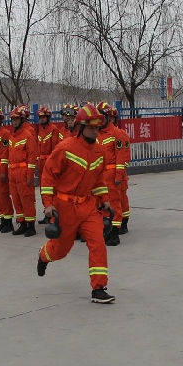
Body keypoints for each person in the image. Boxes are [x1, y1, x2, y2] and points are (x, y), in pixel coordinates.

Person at [36, 102, 116, 304]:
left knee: (98, 243)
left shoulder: (99, 151)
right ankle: (44, 256)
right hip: (65, 207)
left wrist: (105, 200)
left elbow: (99, 180)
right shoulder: (65, 148)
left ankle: (99, 288)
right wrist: (48, 204)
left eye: (98, 127)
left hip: (88, 206)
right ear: (81, 127)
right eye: (91, 127)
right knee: (61, 250)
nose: (95, 131)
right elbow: (48, 176)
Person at [7, 104, 39, 236]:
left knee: (26, 198)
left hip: (23, 171)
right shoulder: (12, 136)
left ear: (22, 120)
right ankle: (22, 223)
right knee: (16, 199)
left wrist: (30, 175)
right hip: (12, 172)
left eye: (17, 119)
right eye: (13, 119)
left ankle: (31, 225)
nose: (14, 122)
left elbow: (32, 157)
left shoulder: (28, 135)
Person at [96, 102, 122, 246]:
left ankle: (115, 234)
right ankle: (106, 231)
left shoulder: (116, 133)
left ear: (107, 117)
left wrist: (119, 176)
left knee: (114, 203)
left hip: (111, 175)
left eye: (102, 117)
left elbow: (121, 157)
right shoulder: (96, 134)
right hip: (99, 175)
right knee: (101, 204)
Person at [107, 105, 132, 234]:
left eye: (111, 118)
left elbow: (123, 156)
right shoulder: (100, 134)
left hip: (118, 175)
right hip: (107, 175)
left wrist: (119, 175)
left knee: (121, 199)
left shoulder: (119, 134)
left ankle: (123, 223)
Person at [35, 106, 58, 224]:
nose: (41, 119)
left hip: (49, 163)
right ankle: (46, 212)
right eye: (40, 117)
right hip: (40, 163)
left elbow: (54, 150)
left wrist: (52, 164)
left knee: (51, 189)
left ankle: (53, 214)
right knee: (43, 190)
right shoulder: (40, 130)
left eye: (43, 117)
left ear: (48, 118)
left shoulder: (53, 129)